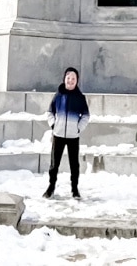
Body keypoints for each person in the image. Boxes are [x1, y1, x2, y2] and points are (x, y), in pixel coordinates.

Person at [44, 67, 90, 200]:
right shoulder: (58, 95)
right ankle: (51, 187)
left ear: (77, 81)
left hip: (73, 136)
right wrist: (54, 125)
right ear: (64, 79)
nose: (70, 81)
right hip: (58, 135)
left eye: (73, 79)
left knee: (74, 164)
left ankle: (74, 189)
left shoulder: (80, 97)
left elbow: (86, 116)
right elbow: (50, 112)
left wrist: (78, 128)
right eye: (68, 78)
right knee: (54, 163)